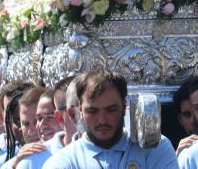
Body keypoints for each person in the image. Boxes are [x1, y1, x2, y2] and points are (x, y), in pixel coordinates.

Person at [41, 70, 178, 168]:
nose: (102, 120)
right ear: (80, 111)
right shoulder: (62, 162)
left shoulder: (155, 148)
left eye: (111, 110)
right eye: (92, 111)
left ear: (124, 107)